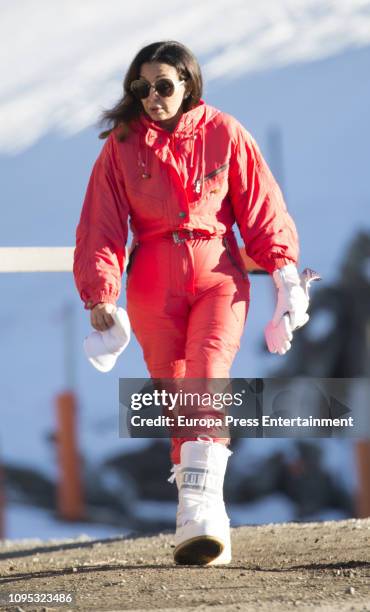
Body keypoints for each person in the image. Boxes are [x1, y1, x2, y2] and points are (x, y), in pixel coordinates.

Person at [73, 40, 309, 566]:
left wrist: (286, 275)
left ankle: (204, 511)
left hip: (218, 275)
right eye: (142, 87)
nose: (152, 97)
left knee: (207, 372)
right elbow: (101, 227)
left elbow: (262, 207)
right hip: (152, 280)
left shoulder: (226, 132)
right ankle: (196, 522)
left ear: (188, 83)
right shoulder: (122, 144)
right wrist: (101, 293)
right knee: (177, 393)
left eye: (163, 85)